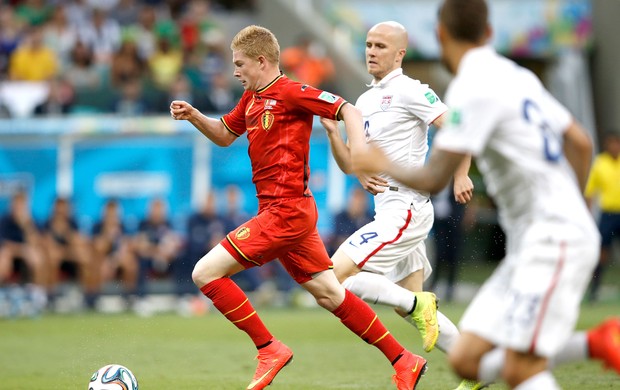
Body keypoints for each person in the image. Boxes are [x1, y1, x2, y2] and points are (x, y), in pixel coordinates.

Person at [352, 1, 620, 388]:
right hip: (534, 241)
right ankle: (595, 343)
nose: (372, 51)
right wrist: (573, 205)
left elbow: (433, 177)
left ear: (440, 36)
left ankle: (596, 343)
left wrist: (379, 162)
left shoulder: (469, 90)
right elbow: (579, 142)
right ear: (489, 34)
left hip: (554, 239)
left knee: (521, 369)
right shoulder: (516, 74)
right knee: (467, 361)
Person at [170, 25, 438, 390]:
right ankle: (403, 359)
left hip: (285, 212)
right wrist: (195, 116)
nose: (235, 72)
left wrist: (358, 153)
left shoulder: (291, 92)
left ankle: (269, 348)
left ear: (261, 61)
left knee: (205, 273)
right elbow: (224, 135)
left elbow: (348, 111)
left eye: (240, 64)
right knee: (331, 293)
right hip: (288, 213)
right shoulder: (250, 99)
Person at [320, 20, 478, 390]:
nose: (371, 51)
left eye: (380, 46)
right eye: (369, 45)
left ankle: (418, 308)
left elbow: (457, 125)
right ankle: (476, 373)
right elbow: (352, 164)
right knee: (408, 305)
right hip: (387, 209)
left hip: (405, 209)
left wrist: (461, 174)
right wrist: (332, 134)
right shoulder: (363, 101)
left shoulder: (410, 91)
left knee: (335, 275)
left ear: (400, 54)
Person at [42, 196, 97, 309]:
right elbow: (48, 246)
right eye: (59, 208)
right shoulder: (48, 223)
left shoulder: (72, 223)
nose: (61, 211)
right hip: (57, 259)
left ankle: (88, 299)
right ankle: (51, 298)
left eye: (64, 208)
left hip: (70, 258)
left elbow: (80, 243)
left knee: (85, 258)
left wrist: (66, 233)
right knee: (52, 258)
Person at [585, 131, 620, 302]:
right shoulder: (600, 163)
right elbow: (591, 190)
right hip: (608, 214)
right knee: (601, 252)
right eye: (611, 143)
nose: (614, 147)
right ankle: (595, 290)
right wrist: (587, 215)